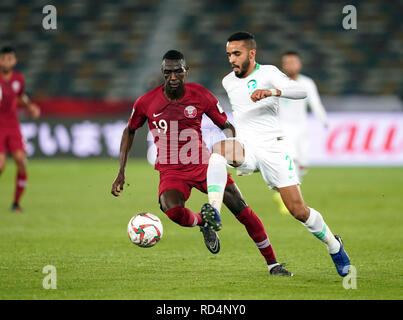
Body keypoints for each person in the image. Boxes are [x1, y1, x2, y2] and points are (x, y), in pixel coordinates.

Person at [111, 50, 292, 276]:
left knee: (241, 209)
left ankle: (273, 264)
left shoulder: (200, 95)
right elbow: (129, 130)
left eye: (178, 71)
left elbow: (226, 125)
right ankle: (203, 223)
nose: (173, 76)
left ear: (186, 71)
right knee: (173, 211)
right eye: (168, 72)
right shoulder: (146, 102)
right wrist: (121, 171)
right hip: (171, 172)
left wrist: (232, 147)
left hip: (203, 166)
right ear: (163, 73)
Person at [220, 32, 350, 277]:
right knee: (219, 152)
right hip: (247, 147)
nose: (232, 60)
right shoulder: (228, 81)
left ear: (251, 53)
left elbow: (301, 92)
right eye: (228, 55)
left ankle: (334, 245)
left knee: (298, 210)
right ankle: (213, 212)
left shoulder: (268, 73)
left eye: (236, 54)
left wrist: (272, 92)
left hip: (273, 147)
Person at [273, 51, 329, 214]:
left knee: (303, 165)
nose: (290, 65)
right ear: (283, 65)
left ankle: (281, 192)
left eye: (293, 62)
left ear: (299, 64)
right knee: (292, 161)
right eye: (287, 63)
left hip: (302, 128)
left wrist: (324, 120)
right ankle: (289, 198)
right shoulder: (278, 82)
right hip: (284, 127)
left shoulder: (307, 83)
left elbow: (315, 103)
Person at [0, 46, 40, 212]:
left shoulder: (18, 79)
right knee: (0, 165)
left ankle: (16, 203)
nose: (6, 61)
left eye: (9, 58)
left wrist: (30, 107)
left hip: (13, 125)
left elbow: (20, 97)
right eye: (3, 58)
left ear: (14, 61)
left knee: (21, 162)